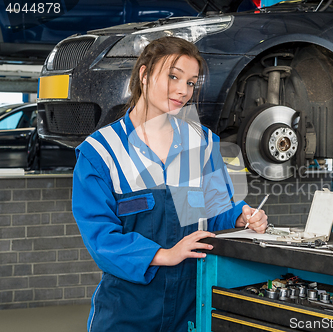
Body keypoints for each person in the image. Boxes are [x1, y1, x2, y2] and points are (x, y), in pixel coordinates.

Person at [72, 36, 268, 332]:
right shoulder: (101, 152)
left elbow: (215, 209)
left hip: (191, 305)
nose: (182, 90)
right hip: (128, 309)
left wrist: (241, 215)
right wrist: (164, 255)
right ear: (145, 74)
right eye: (173, 76)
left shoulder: (201, 142)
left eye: (190, 82)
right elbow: (101, 238)